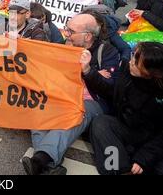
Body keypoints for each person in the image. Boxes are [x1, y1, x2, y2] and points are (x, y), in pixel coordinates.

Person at [22, 13, 119, 175]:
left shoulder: (107, 52)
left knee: (74, 113)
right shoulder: (63, 44)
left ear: (87, 36)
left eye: (71, 31)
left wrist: (88, 71)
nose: (66, 33)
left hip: (91, 102)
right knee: (38, 109)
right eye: (66, 29)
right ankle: (49, 166)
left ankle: (40, 159)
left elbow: (110, 90)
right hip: (62, 95)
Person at [88, 43, 163, 175]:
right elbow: (113, 92)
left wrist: (144, 157)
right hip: (135, 128)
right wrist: (89, 72)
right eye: (133, 56)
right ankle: (118, 170)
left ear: (151, 73)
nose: (131, 62)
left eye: (136, 62)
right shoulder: (128, 70)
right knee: (101, 124)